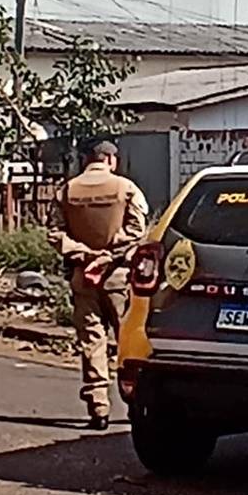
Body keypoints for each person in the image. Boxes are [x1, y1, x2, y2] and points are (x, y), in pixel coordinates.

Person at [55, 141, 149, 430]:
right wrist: (108, 256)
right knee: (129, 342)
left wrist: (85, 255)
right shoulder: (126, 188)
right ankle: (138, 404)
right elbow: (137, 230)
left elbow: (54, 232)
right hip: (118, 276)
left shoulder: (68, 190)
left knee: (91, 343)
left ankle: (98, 406)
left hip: (83, 277)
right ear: (110, 159)